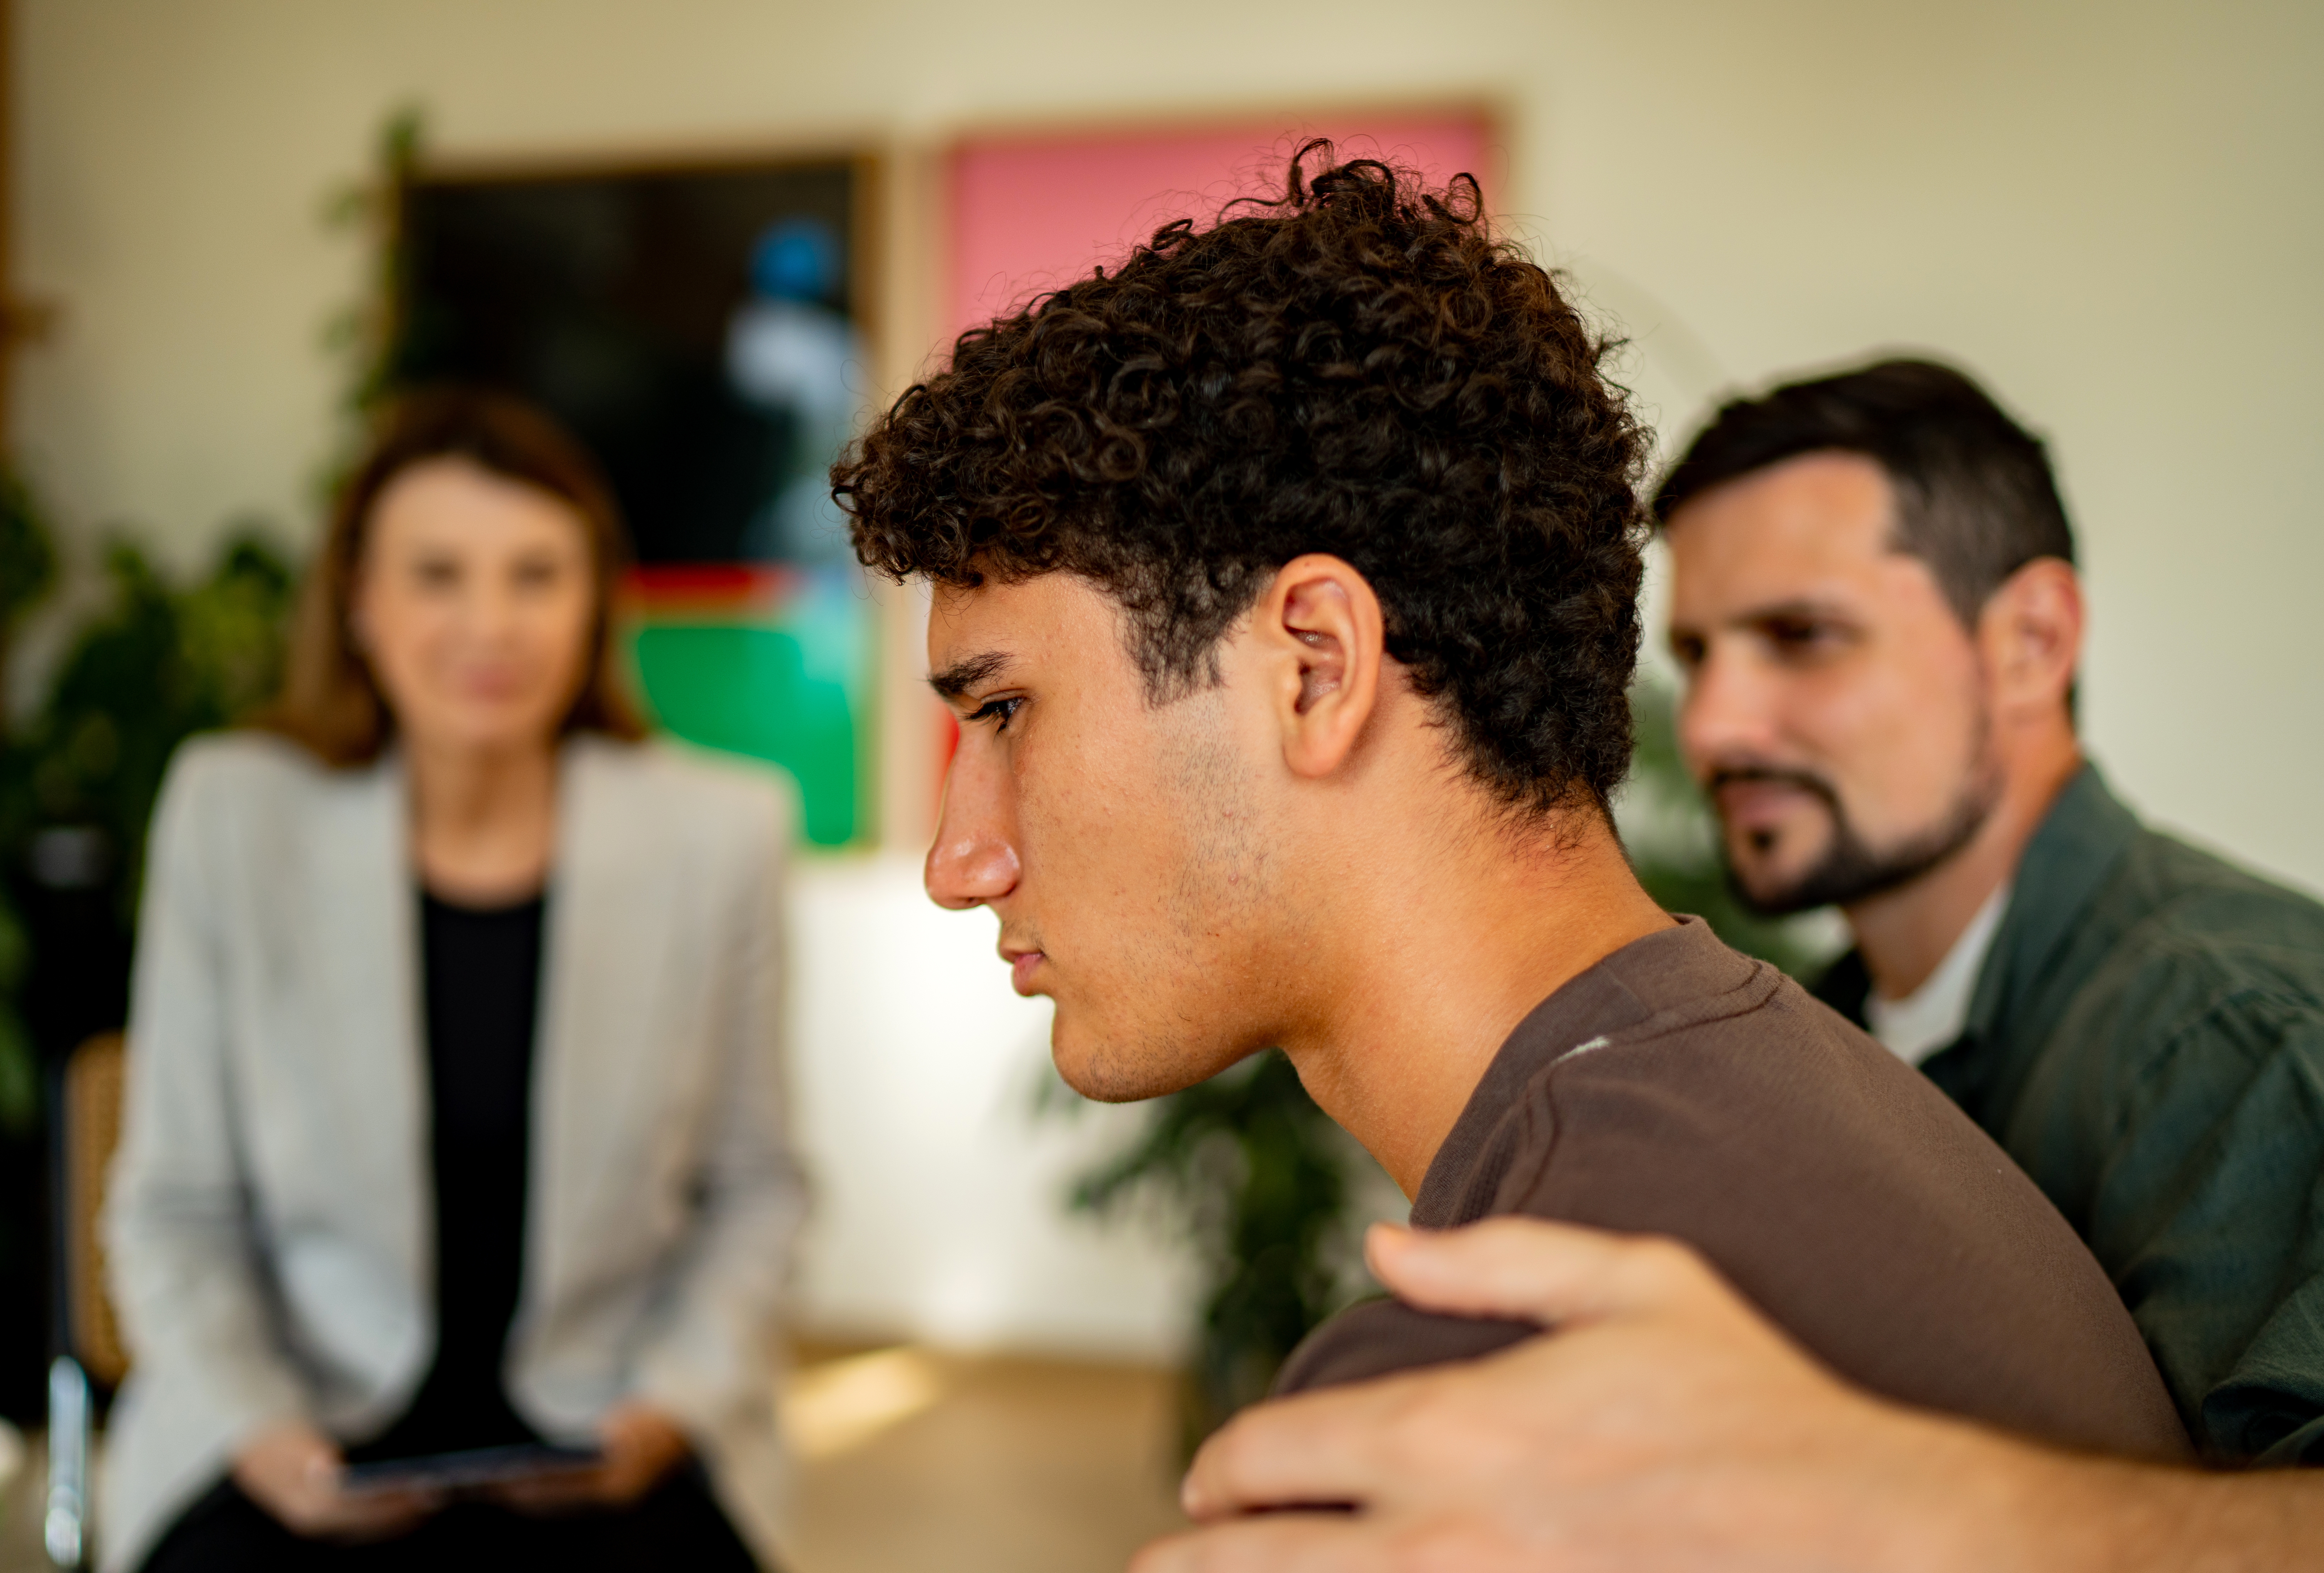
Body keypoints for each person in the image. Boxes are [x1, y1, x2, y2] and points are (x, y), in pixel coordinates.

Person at [832, 144, 2186, 1476]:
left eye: (1005, 709)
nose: (963, 860)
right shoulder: (1812, 1111)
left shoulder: (1487, 1413)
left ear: (1316, 665)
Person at [1135, 360, 2324, 1569]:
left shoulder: (2238, 1035)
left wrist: (1896, 1510)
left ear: (2031, 641)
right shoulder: (1819, 1037)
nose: (1713, 726)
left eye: (1802, 638)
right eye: (1699, 655)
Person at [101, 390, 805, 1573]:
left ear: (594, 604)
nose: (492, 622)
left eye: (538, 574)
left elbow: (756, 1192)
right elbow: (177, 1208)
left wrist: (668, 1408)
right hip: (298, 1437)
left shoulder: (719, 835)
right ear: (362, 605)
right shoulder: (233, 814)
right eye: (438, 574)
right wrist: (266, 1434)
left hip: (606, 1435)